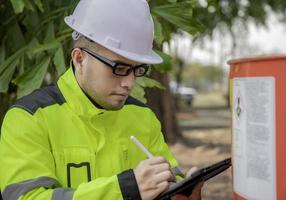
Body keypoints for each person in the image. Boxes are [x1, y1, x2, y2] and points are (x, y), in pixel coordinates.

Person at [0, 0, 203, 199]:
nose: (129, 83)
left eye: (138, 69)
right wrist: (124, 190)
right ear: (80, 59)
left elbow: (169, 180)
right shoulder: (29, 118)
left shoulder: (143, 118)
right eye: (119, 69)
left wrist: (180, 194)